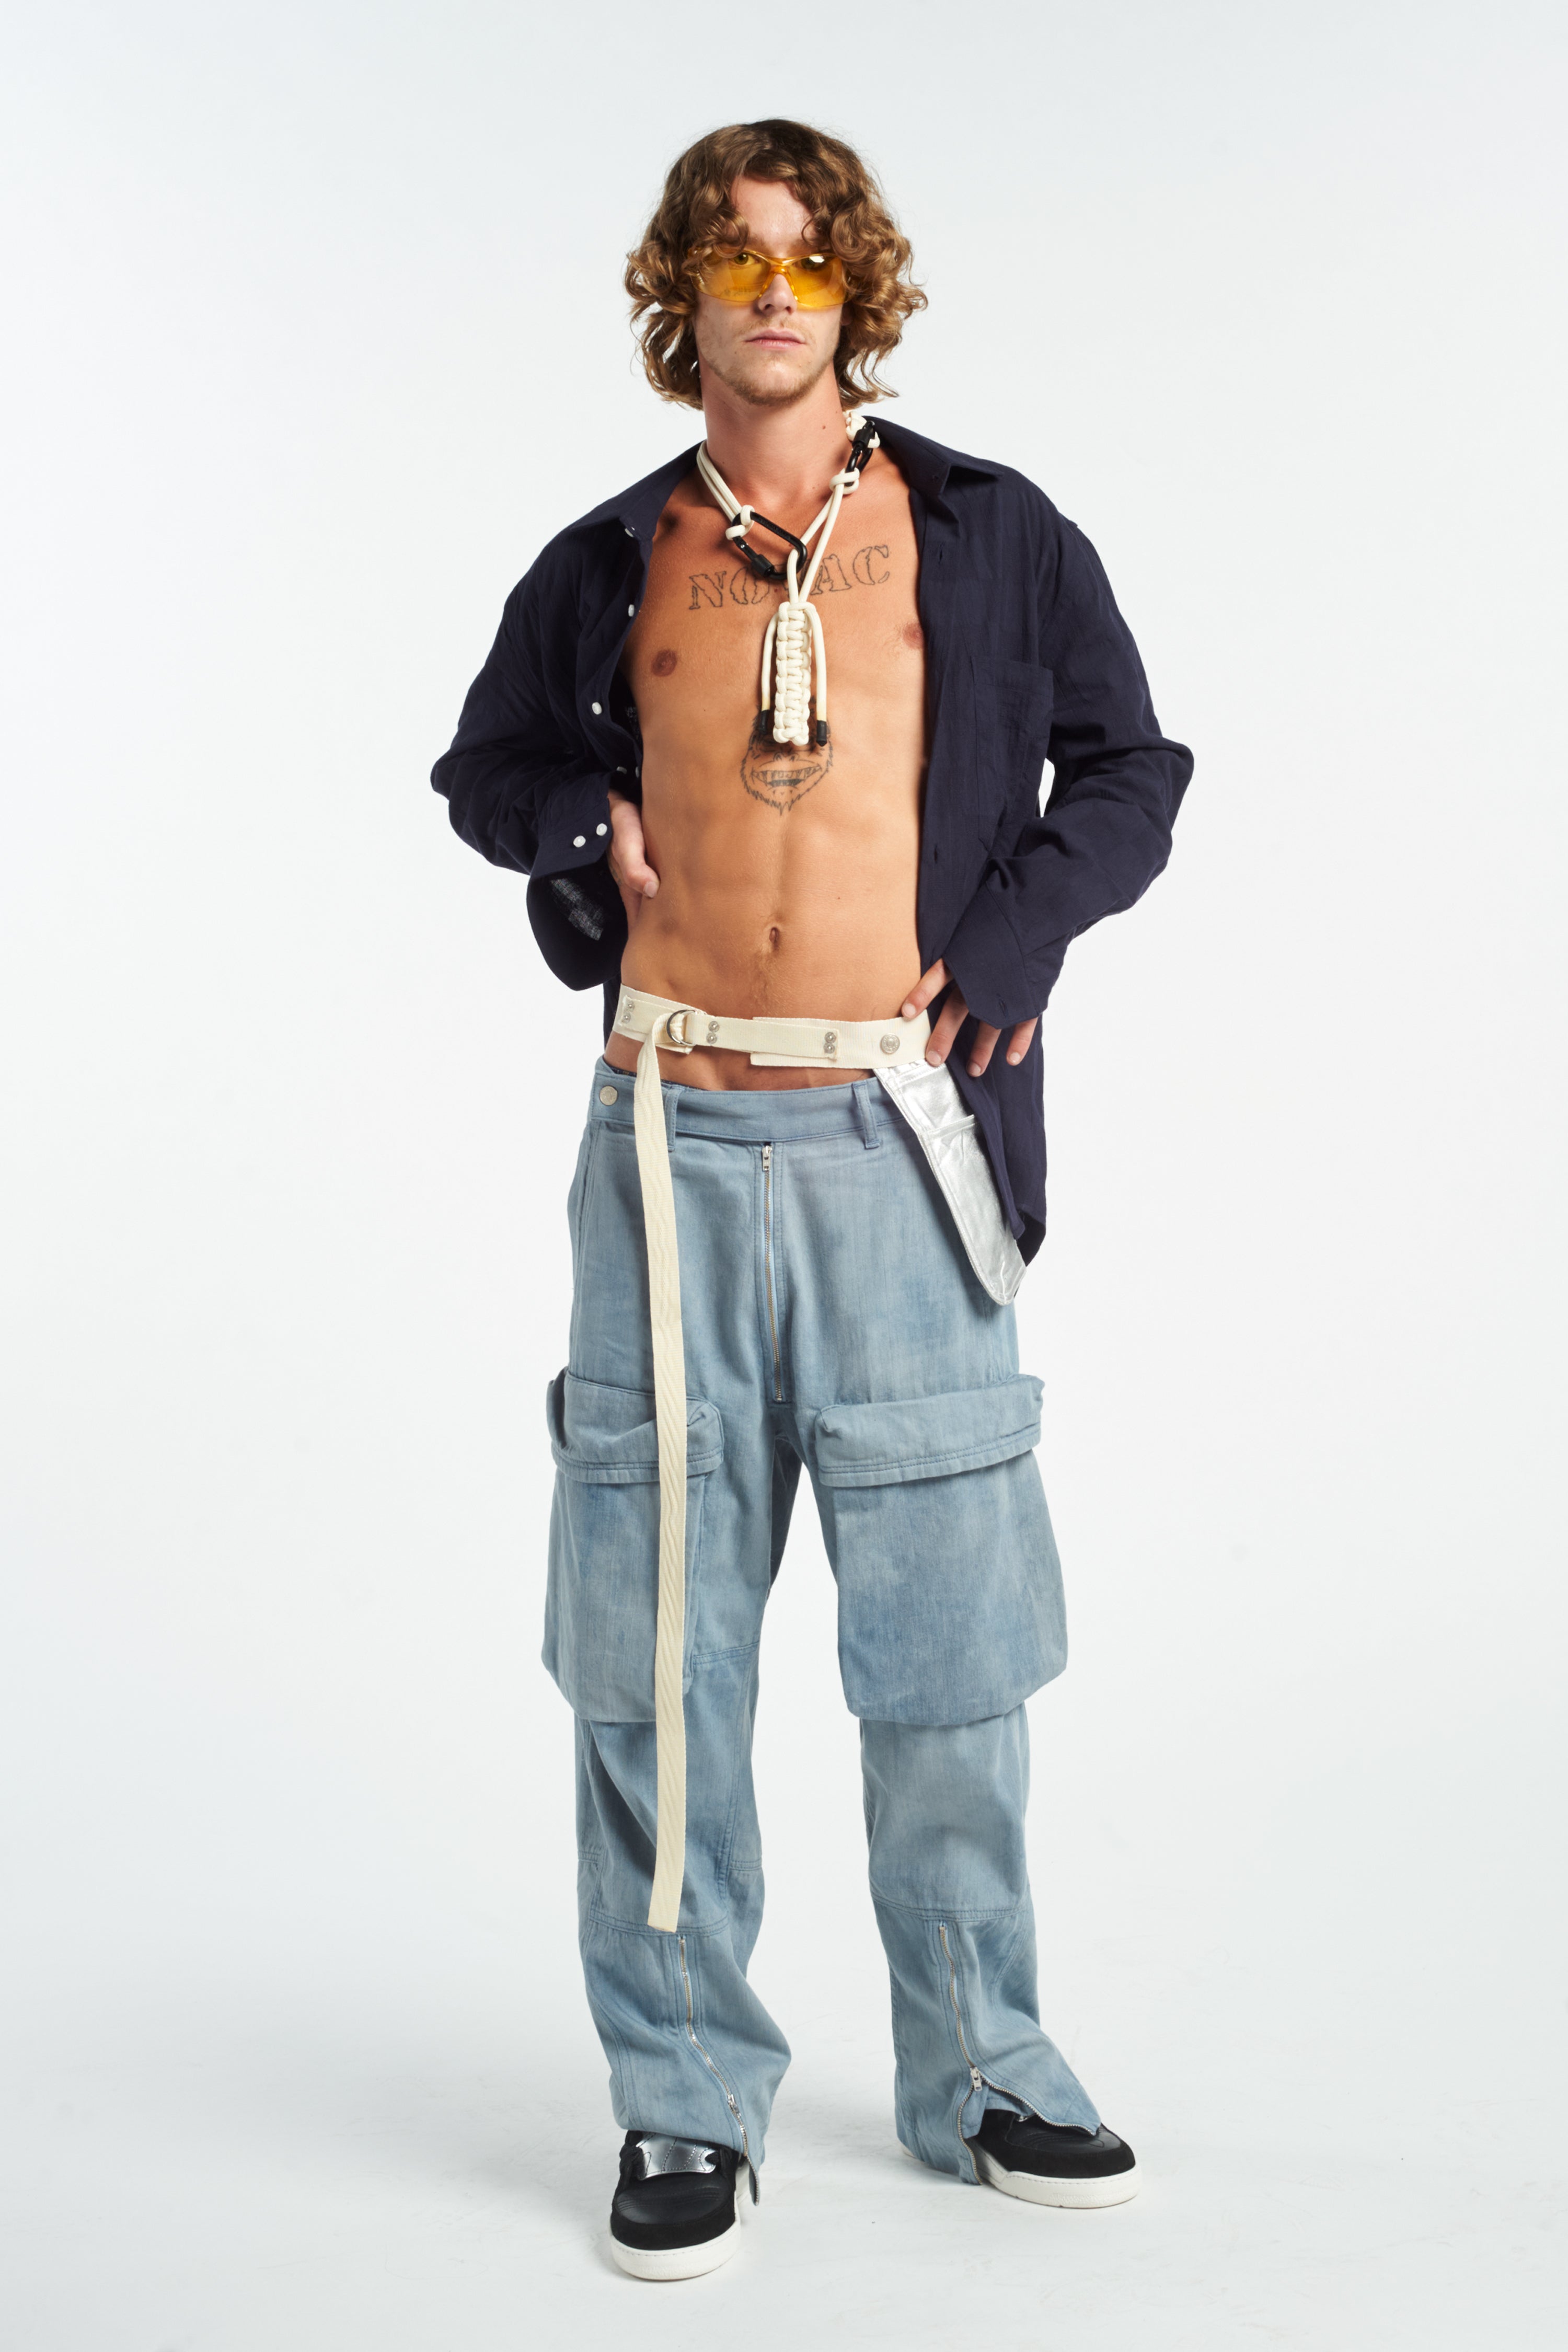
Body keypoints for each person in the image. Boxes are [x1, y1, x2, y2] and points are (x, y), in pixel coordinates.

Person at [431, 117, 1191, 2282]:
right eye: (735, 257)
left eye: (810, 258)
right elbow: (485, 768)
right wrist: (576, 821)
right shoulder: (612, 559)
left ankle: (987, 2067)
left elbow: (1134, 771)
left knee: (950, 1645)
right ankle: (685, 2094)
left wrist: (1020, 934)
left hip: (901, 1138)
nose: (775, 293)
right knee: (653, 1648)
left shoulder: (991, 532)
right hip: (666, 1143)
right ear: (683, 293)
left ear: (859, 288)